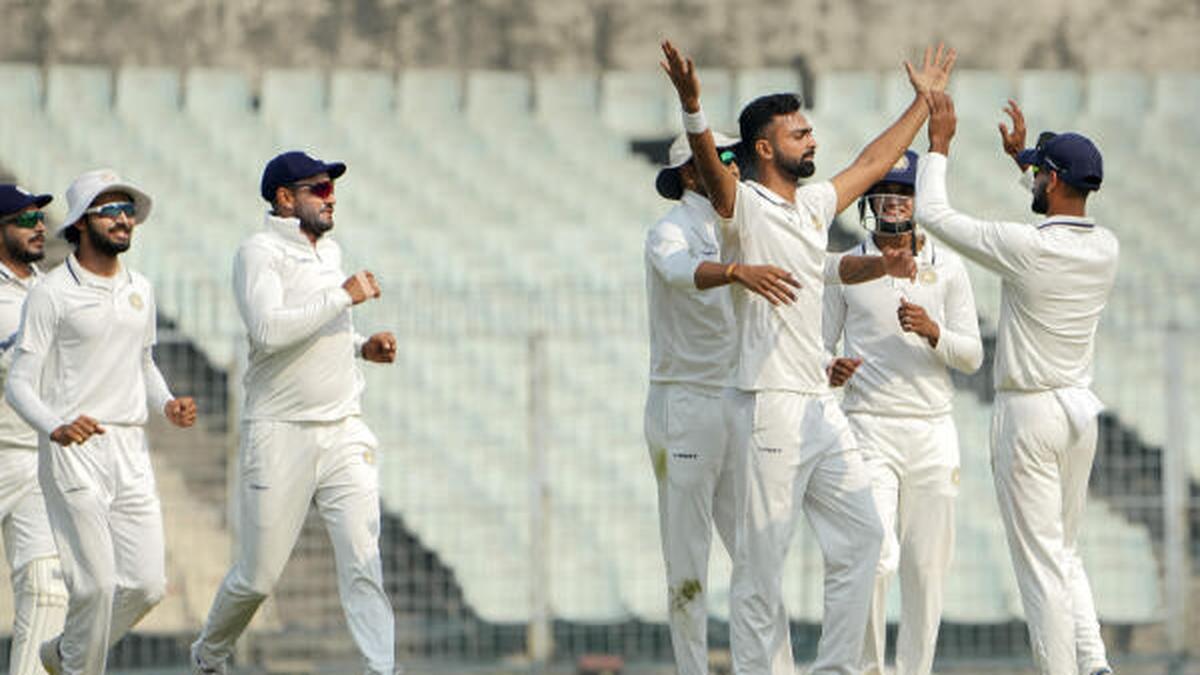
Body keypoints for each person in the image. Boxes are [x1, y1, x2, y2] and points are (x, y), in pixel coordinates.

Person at [660, 39, 955, 675]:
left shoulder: (814, 205)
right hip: (768, 407)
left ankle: (836, 671)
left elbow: (875, 161)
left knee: (865, 540)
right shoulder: (743, 207)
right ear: (765, 148)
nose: (810, 140)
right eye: (798, 133)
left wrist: (920, 102)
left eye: (810, 129)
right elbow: (714, 174)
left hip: (819, 408)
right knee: (761, 562)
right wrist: (692, 108)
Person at [916, 91, 1116, 675]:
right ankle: (1095, 665)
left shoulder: (1026, 247)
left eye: (1040, 171)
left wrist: (939, 147)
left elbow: (933, 215)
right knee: (1064, 552)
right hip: (1080, 412)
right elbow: (1050, 199)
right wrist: (1024, 158)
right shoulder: (1105, 247)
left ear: (1052, 181)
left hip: (1029, 417)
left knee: (1040, 566)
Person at [191, 151, 397, 675]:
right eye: (319, 189)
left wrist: (358, 346)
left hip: (343, 427)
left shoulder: (329, 252)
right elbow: (268, 331)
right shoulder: (258, 252)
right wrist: (344, 299)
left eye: (332, 189)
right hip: (280, 432)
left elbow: (318, 330)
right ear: (285, 199)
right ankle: (209, 655)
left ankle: (382, 668)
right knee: (257, 578)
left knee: (363, 560)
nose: (331, 199)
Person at [4, 169, 197, 675]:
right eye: (110, 210)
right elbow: (19, 381)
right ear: (82, 222)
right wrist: (56, 426)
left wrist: (167, 404)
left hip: (129, 448)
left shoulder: (141, 289)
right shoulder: (53, 293)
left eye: (127, 210)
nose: (123, 219)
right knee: (93, 585)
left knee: (147, 585)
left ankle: (61, 654)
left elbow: (144, 363)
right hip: (72, 449)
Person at [821, 151, 983, 675]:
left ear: (919, 200)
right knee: (875, 556)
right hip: (868, 426)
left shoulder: (949, 266)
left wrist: (933, 332)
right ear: (869, 201)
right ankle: (867, 670)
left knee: (926, 569)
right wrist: (831, 368)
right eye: (884, 193)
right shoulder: (849, 266)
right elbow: (819, 347)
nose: (893, 204)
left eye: (904, 193)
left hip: (933, 430)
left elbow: (973, 355)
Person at [645, 131, 802, 675]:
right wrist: (736, 272)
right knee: (687, 562)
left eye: (733, 158)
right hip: (684, 403)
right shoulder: (670, 229)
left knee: (757, 555)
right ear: (692, 172)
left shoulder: (740, 223)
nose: (731, 167)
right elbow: (677, 272)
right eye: (722, 159)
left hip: (737, 398)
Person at [0, 185, 69, 674]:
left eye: (40, 217)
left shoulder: (54, 290)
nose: (39, 226)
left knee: (47, 588)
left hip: (31, 456)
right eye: (25, 219)